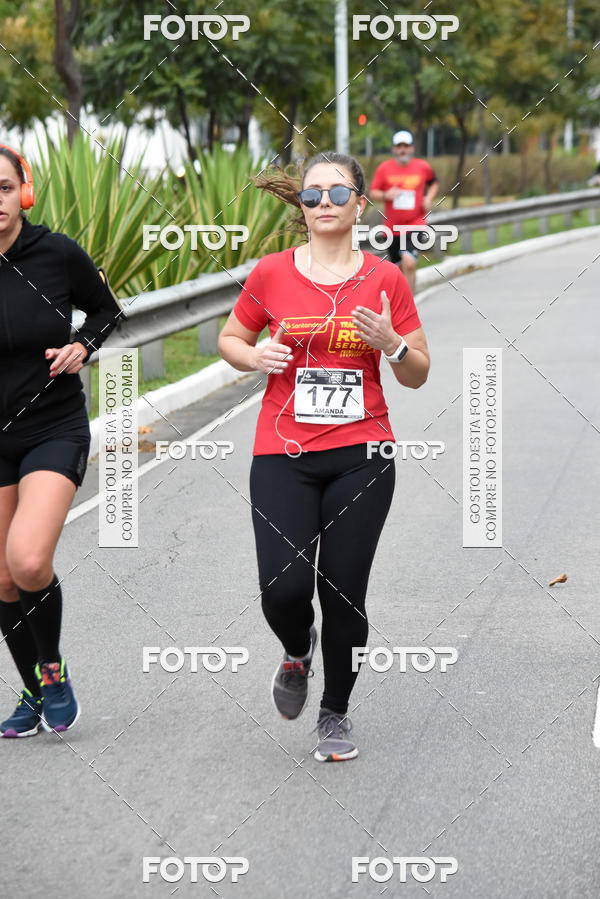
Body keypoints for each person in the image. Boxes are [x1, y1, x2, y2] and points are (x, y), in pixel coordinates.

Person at [218, 151, 430, 762]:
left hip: (362, 454)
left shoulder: (385, 279)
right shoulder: (272, 273)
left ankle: (335, 711)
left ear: (361, 204)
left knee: (343, 591)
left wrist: (391, 345)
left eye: (338, 194)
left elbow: (417, 373)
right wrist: (254, 358)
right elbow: (232, 338)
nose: (324, 205)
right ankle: (295, 645)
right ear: (301, 207)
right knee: (282, 589)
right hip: (282, 452)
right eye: (312, 196)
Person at [0, 144, 122, 737]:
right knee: (0, 578)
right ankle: (31, 688)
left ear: (24, 193)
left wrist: (83, 346)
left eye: (2, 188)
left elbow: (105, 310)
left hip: (51, 425)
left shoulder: (55, 253)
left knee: (27, 560)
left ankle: (52, 667)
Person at [370, 130, 439, 295]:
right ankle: (402, 301)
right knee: (398, 268)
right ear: (394, 149)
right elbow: (373, 192)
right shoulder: (384, 168)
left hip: (415, 222)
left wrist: (428, 198)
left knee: (409, 263)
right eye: (399, 146)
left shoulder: (422, 167)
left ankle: (410, 305)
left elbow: (434, 183)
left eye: (406, 146)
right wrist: (386, 195)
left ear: (412, 148)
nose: (403, 150)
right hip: (392, 227)